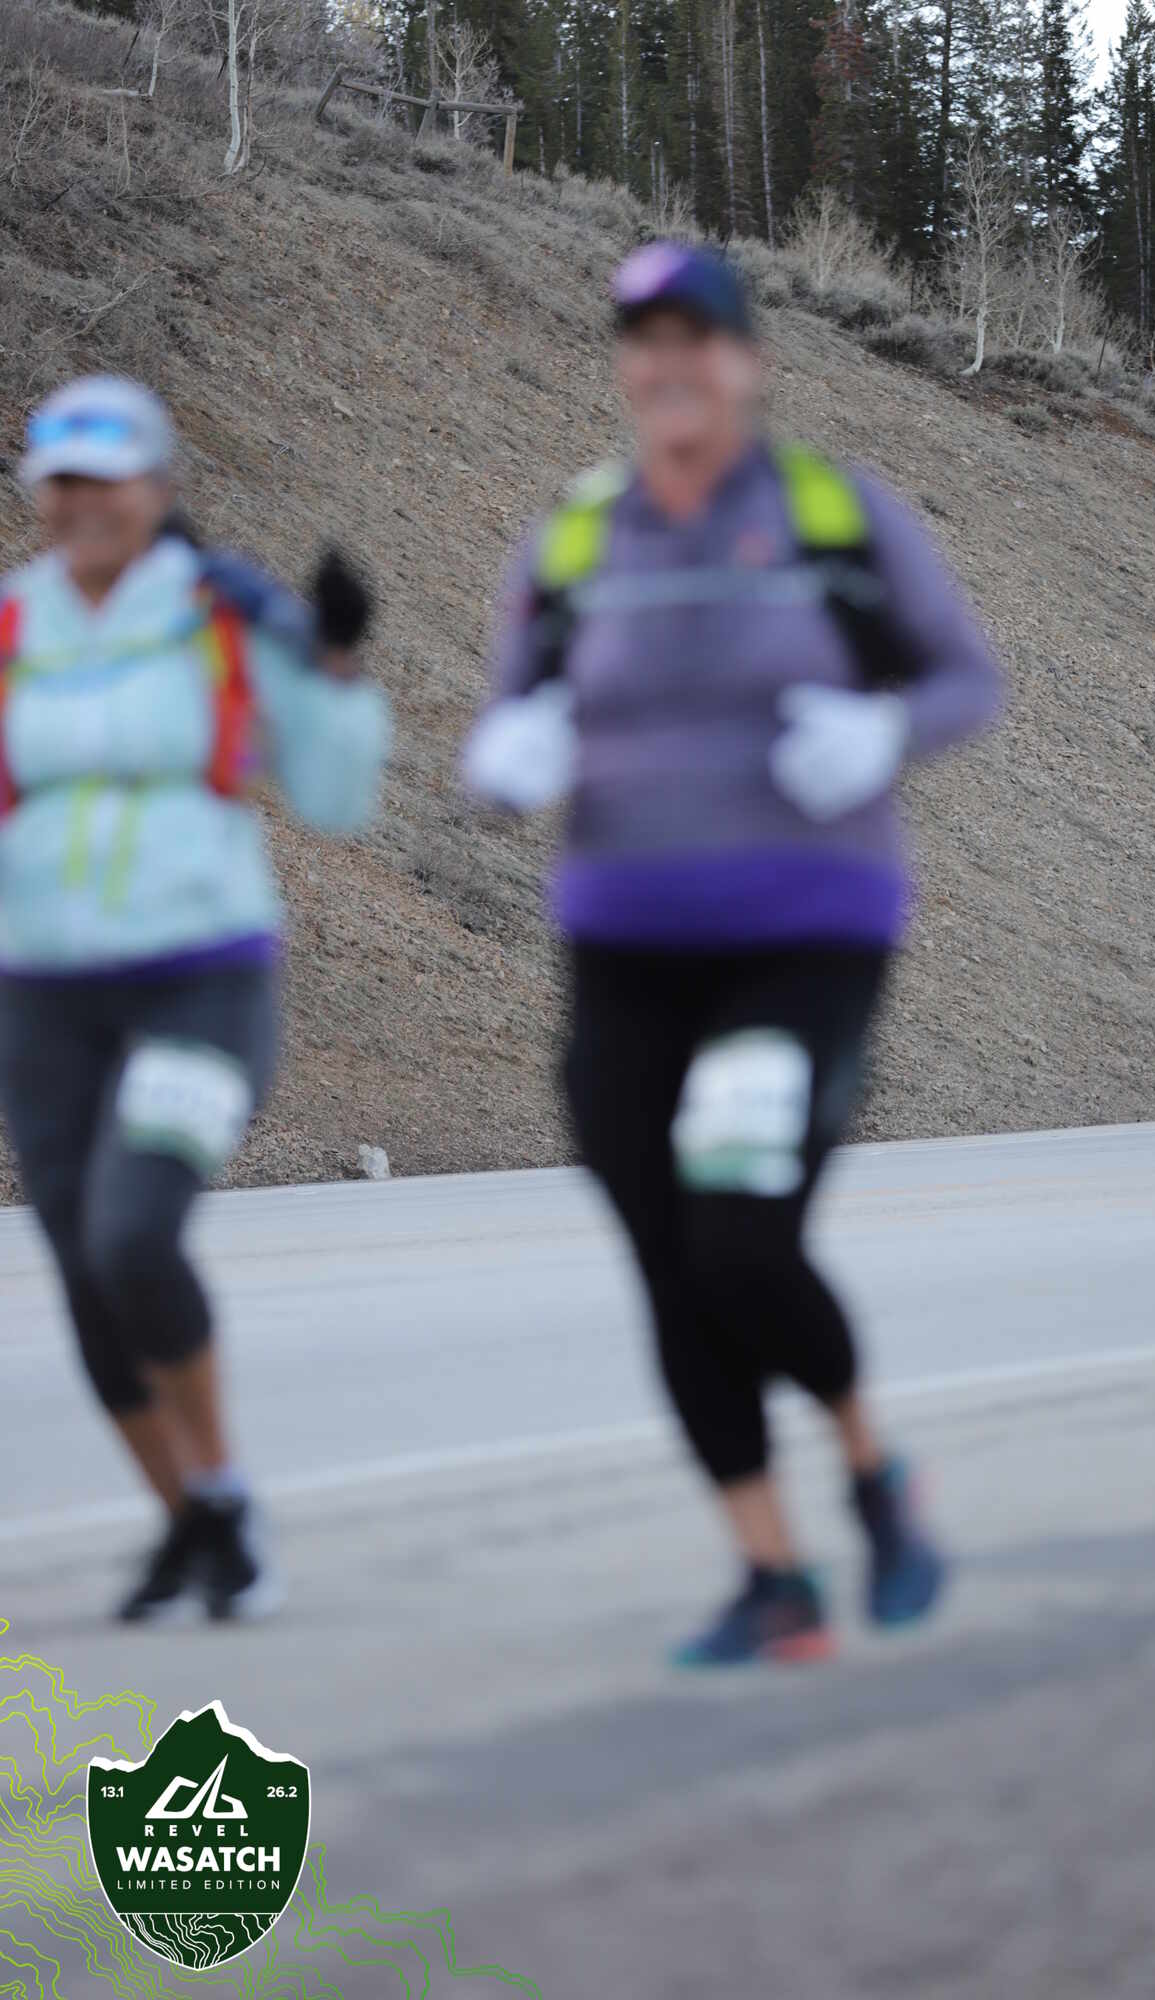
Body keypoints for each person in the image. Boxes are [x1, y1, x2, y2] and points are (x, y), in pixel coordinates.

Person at [463, 243, 1003, 1667]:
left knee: (739, 1240)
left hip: (802, 941)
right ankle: (773, 1578)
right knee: (665, 1262)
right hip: (622, 951)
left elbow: (964, 677)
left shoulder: (832, 515)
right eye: (643, 342)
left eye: (694, 339)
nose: (669, 365)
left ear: (747, 362)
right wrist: (507, 756)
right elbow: (508, 712)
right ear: (623, 369)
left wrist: (883, 730)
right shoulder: (577, 535)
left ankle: (874, 1478)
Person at [0, 375, 391, 1622]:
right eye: (61, 483)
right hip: (43, 993)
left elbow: (333, 796)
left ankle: (219, 1490)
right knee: (81, 1268)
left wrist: (334, 669)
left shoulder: (221, 614)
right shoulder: (15, 622)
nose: (83, 505)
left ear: (157, 488)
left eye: (106, 482)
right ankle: (189, 1524)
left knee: (133, 1234)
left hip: (199, 979)